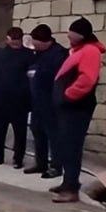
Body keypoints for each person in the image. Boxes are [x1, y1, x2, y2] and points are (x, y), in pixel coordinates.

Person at [51, 17, 106, 203]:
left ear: (80, 35)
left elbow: (86, 80)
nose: (68, 37)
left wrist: (67, 96)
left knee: (72, 146)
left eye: (71, 34)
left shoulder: (90, 51)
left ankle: (71, 188)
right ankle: (67, 182)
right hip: (70, 107)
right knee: (66, 145)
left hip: (77, 107)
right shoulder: (80, 50)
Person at [0, 27, 35, 168]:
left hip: (20, 100)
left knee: (20, 131)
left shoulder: (28, 55)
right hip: (1, 98)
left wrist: (26, 90)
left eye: (17, 41)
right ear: (8, 39)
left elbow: (32, 76)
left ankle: (18, 158)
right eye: (13, 41)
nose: (15, 44)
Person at [26, 24, 69, 179]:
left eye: (35, 41)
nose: (33, 44)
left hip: (52, 101)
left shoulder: (59, 54)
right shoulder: (38, 53)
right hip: (37, 100)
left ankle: (56, 166)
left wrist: (38, 74)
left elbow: (58, 77)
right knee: (37, 130)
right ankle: (40, 163)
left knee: (53, 134)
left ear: (45, 41)